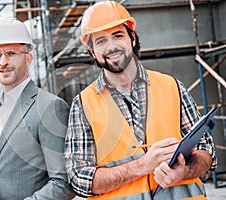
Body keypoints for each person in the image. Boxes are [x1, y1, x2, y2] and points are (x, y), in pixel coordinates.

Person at [64, 1, 217, 199]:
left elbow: (207, 151)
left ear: (132, 38)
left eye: (118, 36)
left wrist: (184, 171)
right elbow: (78, 178)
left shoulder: (172, 87)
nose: (111, 47)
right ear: (92, 52)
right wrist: (142, 166)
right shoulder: (83, 105)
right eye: (101, 41)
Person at [0, 17, 75, 200]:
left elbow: (64, 183)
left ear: (28, 58)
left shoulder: (49, 107)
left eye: (11, 53)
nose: (3, 62)